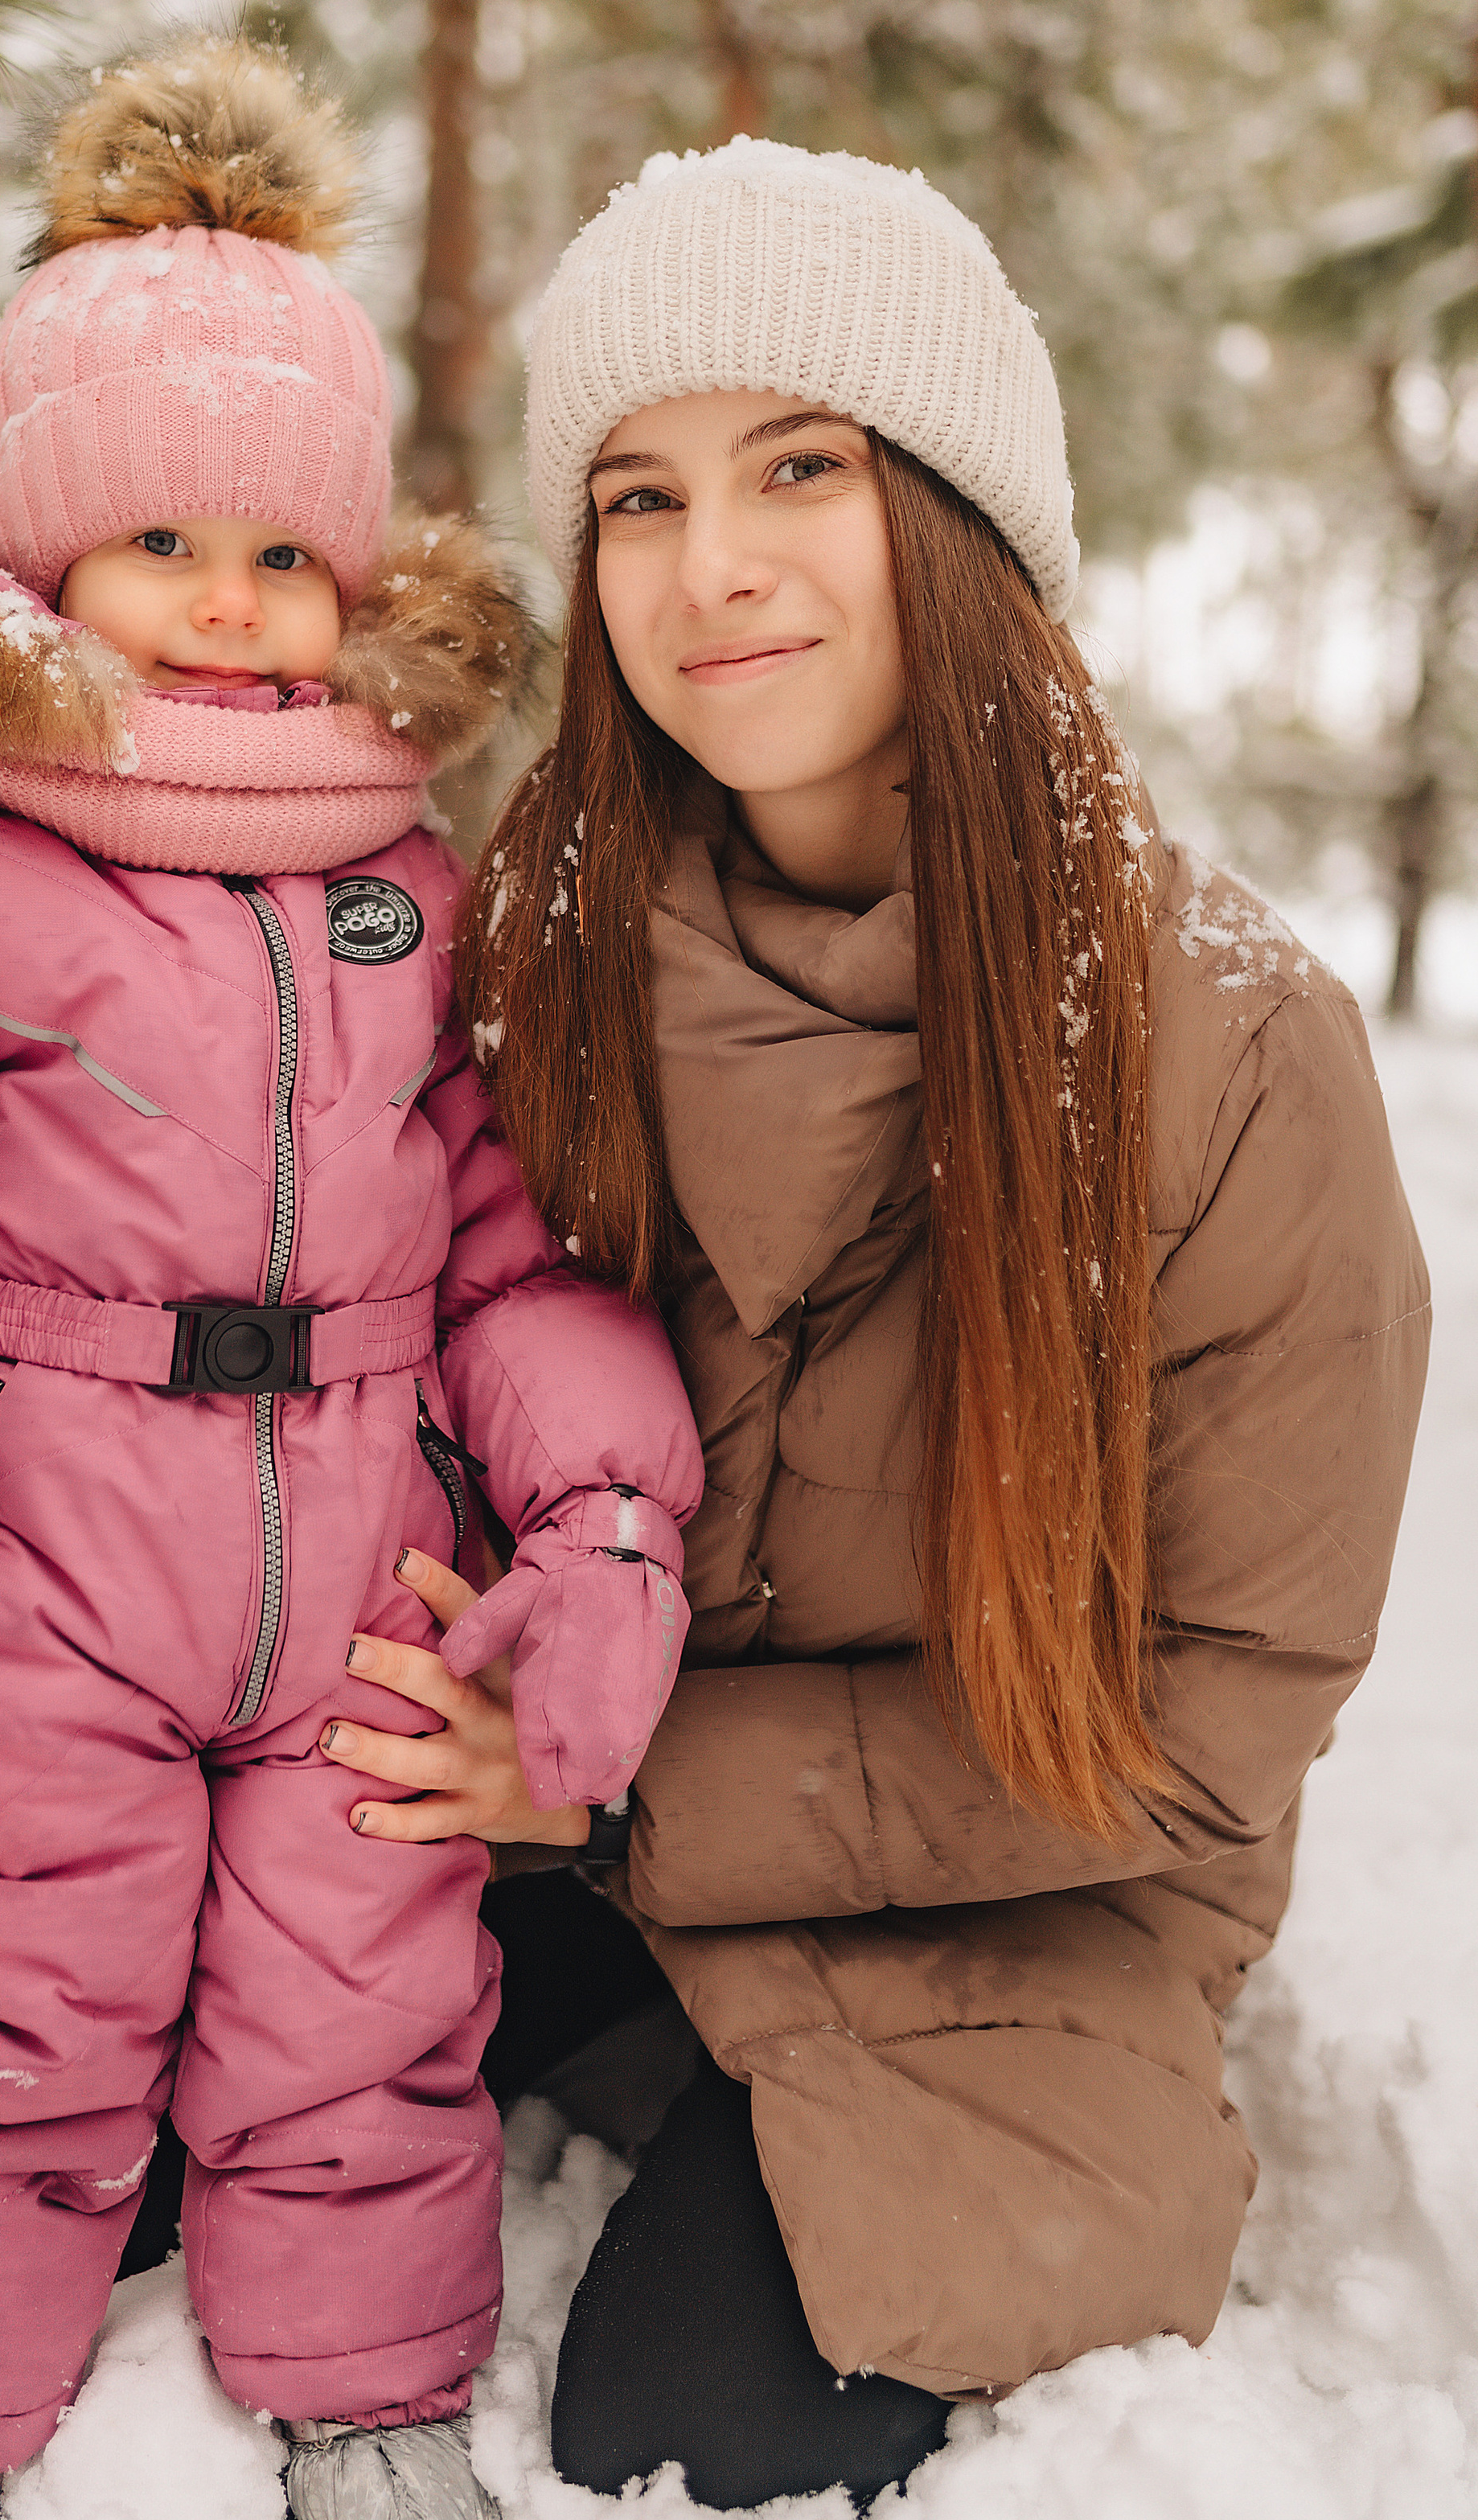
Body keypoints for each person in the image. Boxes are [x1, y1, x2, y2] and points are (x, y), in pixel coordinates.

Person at [313, 138, 1430, 2509]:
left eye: (799, 467)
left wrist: (631, 1789)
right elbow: (337, 1317)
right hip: (571, 1803)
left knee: (693, 2422)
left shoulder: (1232, 1047)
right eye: (637, 496)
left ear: (958, 513)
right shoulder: (536, 955)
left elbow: (1212, 1717)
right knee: (123, 2151)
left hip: (1033, 1884)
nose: (708, 564)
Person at [0, 39, 704, 2520]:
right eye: (159, 540)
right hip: (34, 1564)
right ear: (43, 562)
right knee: (12, 1996)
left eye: (281, 552)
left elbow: (516, 1247)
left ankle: (369, 2387)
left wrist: (601, 1519)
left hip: (362, 1564)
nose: (227, 599)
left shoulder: (403, 874)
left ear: (350, 581)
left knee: (367, 1998)